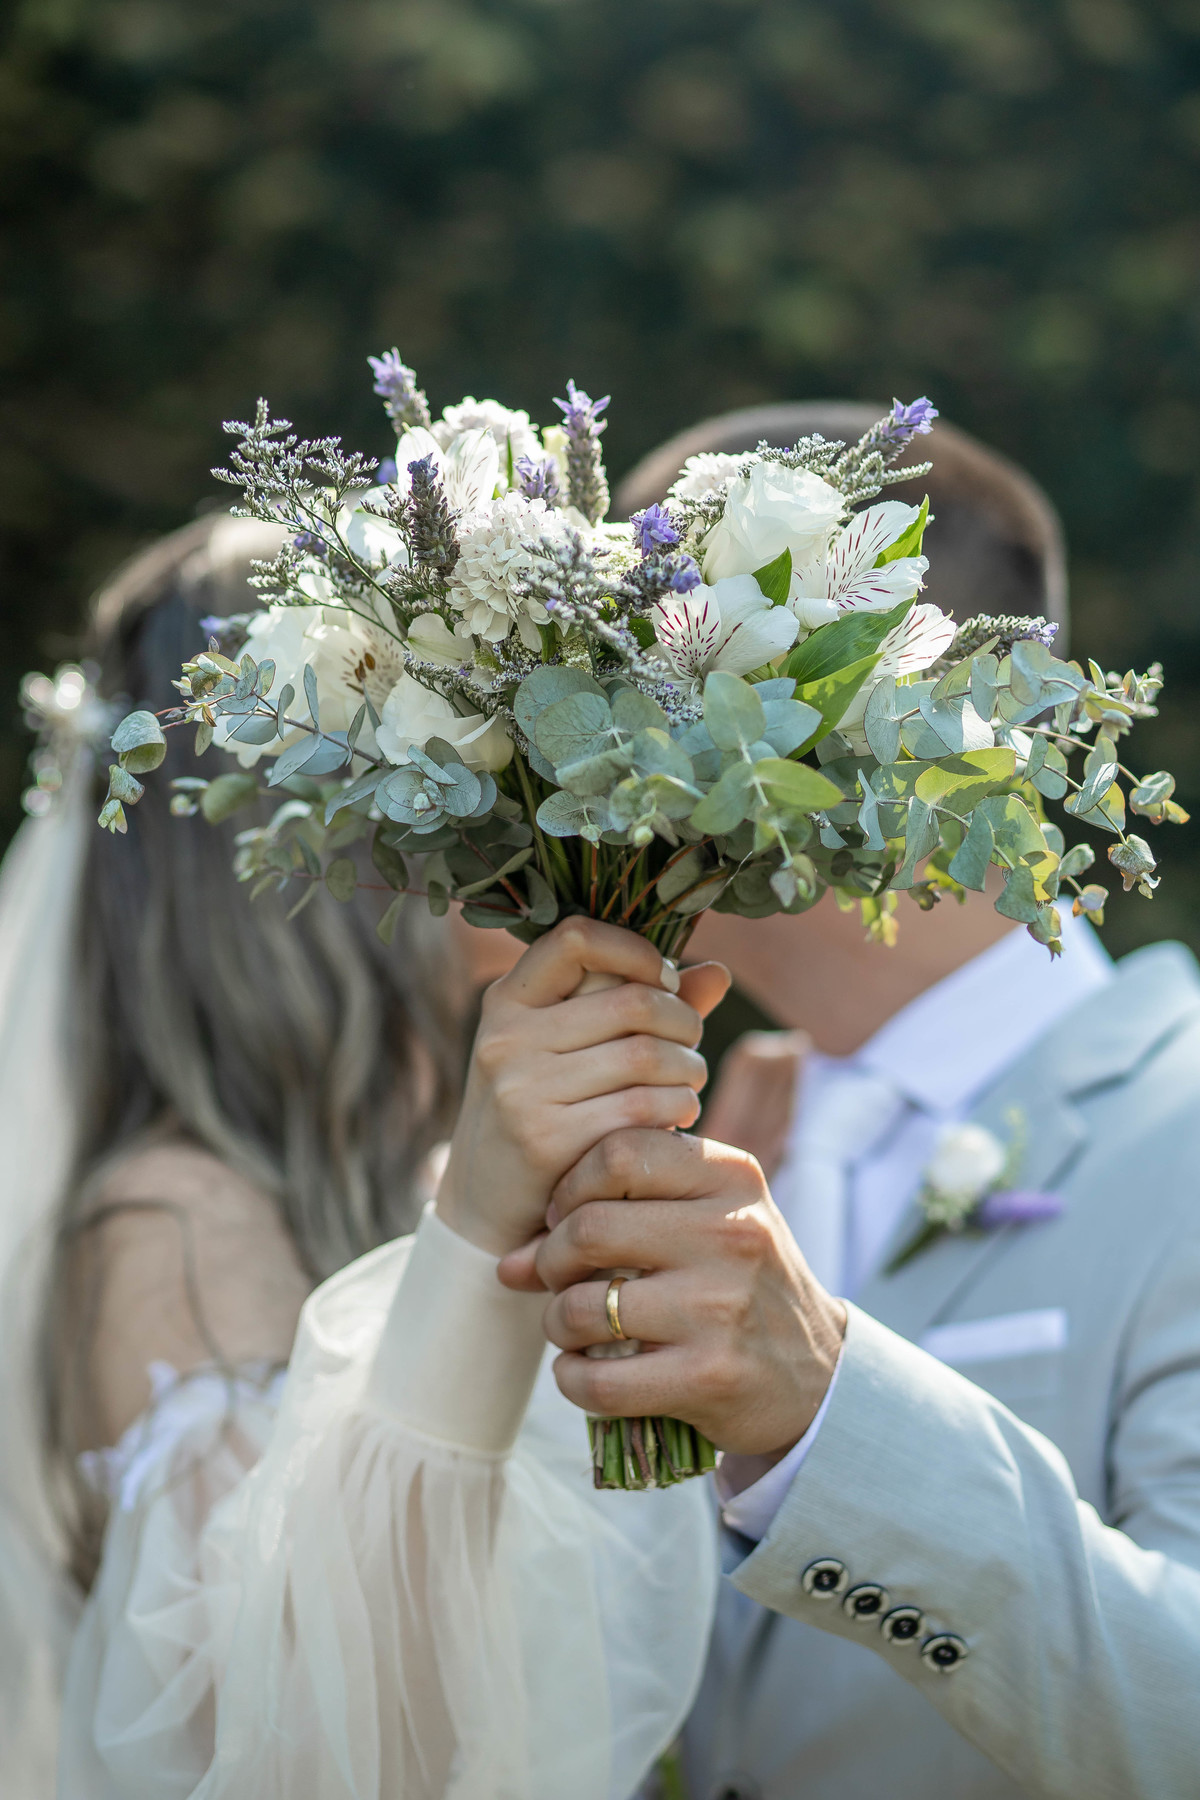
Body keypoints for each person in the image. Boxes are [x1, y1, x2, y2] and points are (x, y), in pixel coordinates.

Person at [483, 402, 1200, 1800]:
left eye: (645, 693)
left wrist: (829, 1417)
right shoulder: (727, 1146)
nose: (576, 769)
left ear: (897, 719)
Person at [0, 512, 730, 1797]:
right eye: (474, 746)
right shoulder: (171, 1224)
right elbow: (318, 1751)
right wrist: (485, 1230)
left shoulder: (408, 1184)